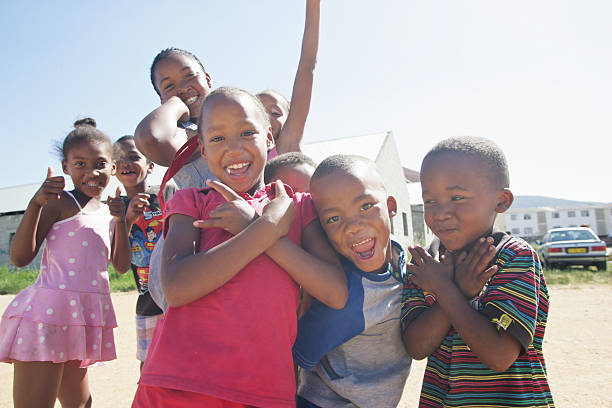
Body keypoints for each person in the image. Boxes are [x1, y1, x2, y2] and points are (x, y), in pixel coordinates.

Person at [132, 87, 347, 407]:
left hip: (262, 391)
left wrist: (255, 226)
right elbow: (176, 288)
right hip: (177, 386)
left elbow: (335, 291)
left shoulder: (295, 207)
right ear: (202, 150)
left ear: (270, 138)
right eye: (217, 138)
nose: (234, 148)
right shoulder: (190, 202)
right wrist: (264, 230)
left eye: (247, 132)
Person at [401, 136, 554, 407]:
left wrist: (447, 290)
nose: (440, 213)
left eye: (457, 197)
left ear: (502, 201)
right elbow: (416, 346)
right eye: (430, 201)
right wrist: (456, 289)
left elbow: (499, 356)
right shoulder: (426, 264)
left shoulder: (513, 258)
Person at [0, 118, 131, 408]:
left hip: (80, 319)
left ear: (113, 166)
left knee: (80, 404)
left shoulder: (110, 212)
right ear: (65, 167)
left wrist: (122, 222)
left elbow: (121, 266)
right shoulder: (60, 202)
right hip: (48, 317)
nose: (91, 172)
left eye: (99, 163)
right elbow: (20, 258)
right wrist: (35, 205)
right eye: (80, 164)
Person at [293, 155, 412, 408]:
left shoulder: (401, 257)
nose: (353, 226)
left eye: (366, 206)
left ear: (391, 206)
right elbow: (295, 359)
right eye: (334, 219)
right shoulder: (346, 299)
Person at [112, 136, 174, 370]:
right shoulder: (115, 208)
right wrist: (125, 220)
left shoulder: (166, 193)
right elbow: (119, 265)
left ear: (150, 165)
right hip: (147, 303)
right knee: (149, 366)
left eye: (133, 157)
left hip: (177, 296)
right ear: (113, 168)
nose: (126, 163)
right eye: (119, 159)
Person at [257, 0, 321, 158]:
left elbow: (307, 65)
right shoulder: (249, 161)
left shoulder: (285, 146)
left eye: (275, 113)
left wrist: (313, 5)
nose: (267, 120)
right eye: (259, 115)